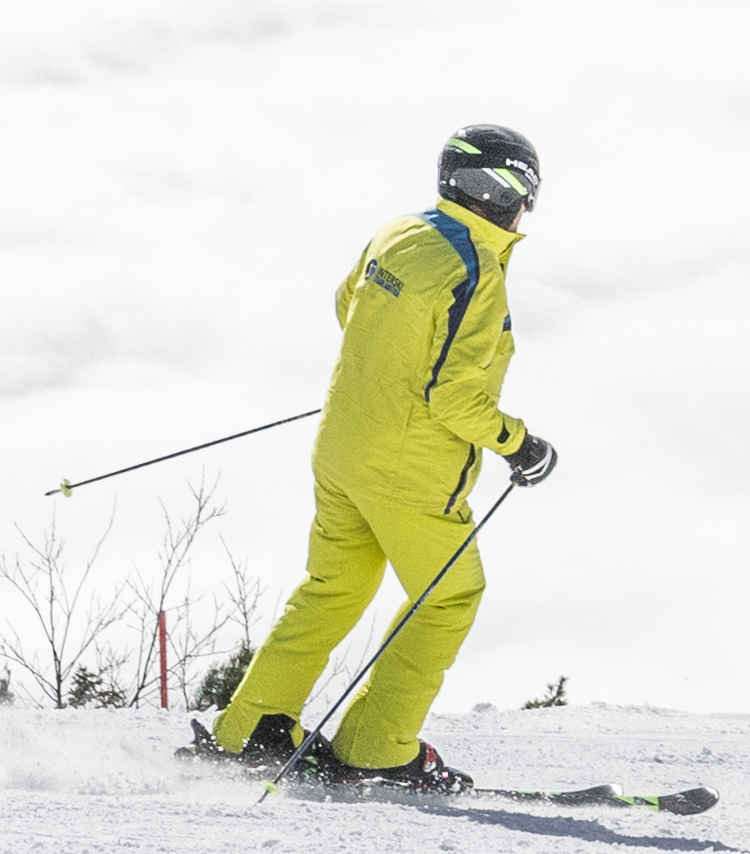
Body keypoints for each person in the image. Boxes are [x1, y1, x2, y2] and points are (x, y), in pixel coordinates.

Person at [202, 121, 562, 792]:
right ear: (513, 194)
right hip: (408, 472)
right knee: (450, 594)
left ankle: (248, 728)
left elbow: (349, 303)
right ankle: (375, 747)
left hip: (341, 447)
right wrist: (521, 444)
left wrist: (386, 375)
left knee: (333, 587)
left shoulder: (401, 229)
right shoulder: (476, 268)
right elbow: (454, 397)